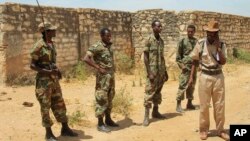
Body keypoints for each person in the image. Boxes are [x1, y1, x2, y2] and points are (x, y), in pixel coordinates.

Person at [30, 22, 78, 141]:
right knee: (45, 107)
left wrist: (57, 70)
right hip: (43, 83)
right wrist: (47, 72)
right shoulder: (39, 46)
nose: (55, 31)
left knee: (59, 103)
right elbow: (32, 65)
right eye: (52, 30)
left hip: (54, 81)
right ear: (46, 32)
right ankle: (49, 133)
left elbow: (51, 62)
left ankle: (65, 128)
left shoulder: (51, 44)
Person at [188, 20, 229, 140]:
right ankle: (204, 130)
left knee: (219, 105)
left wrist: (218, 49)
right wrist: (191, 77)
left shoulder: (221, 45)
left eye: (214, 33)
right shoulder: (200, 44)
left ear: (217, 33)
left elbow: (223, 62)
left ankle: (220, 130)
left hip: (218, 77)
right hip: (204, 77)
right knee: (204, 106)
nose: (211, 35)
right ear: (206, 32)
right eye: (209, 33)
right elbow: (195, 60)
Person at [83, 28, 118, 133]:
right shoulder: (97, 46)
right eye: (107, 36)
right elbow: (86, 58)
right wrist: (98, 67)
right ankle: (100, 123)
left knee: (110, 97)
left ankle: (108, 119)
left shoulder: (109, 46)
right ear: (102, 36)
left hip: (111, 76)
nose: (109, 37)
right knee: (101, 98)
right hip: (102, 78)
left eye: (110, 35)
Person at [142, 20, 168, 126]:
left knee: (158, 92)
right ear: (153, 27)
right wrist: (149, 72)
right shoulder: (148, 40)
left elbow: (162, 57)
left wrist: (165, 71)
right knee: (149, 93)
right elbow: (145, 57)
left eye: (161, 26)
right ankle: (146, 116)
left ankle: (156, 111)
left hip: (160, 72)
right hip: (152, 72)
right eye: (158, 26)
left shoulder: (161, 41)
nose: (160, 28)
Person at [175, 25, 198, 113]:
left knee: (192, 85)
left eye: (192, 31)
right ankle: (178, 105)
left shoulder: (196, 42)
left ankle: (189, 103)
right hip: (185, 67)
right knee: (182, 85)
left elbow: (198, 55)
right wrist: (182, 66)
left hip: (194, 66)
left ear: (194, 32)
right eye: (188, 31)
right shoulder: (182, 41)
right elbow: (178, 57)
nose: (190, 33)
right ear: (186, 31)